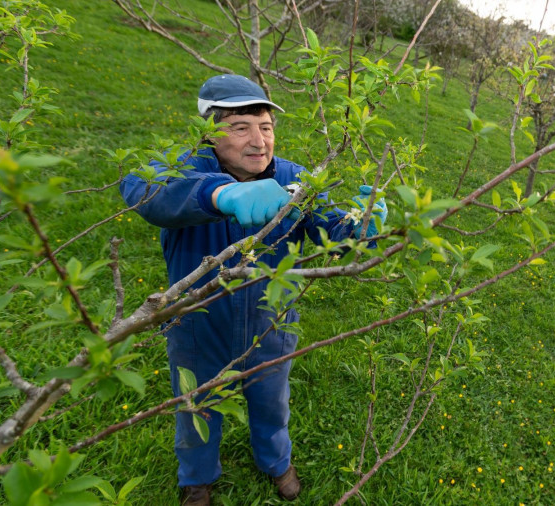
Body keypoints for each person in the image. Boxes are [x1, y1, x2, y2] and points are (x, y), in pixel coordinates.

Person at [121, 74, 386, 504]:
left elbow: (331, 233)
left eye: (265, 127)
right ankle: (197, 478)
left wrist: (360, 226)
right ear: (209, 131)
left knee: (271, 400)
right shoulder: (184, 167)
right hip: (197, 321)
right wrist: (219, 195)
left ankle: (276, 461)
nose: (259, 141)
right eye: (240, 127)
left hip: (271, 318)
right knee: (196, 403)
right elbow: (140, 189)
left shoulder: (295, 178)